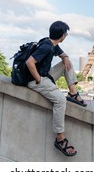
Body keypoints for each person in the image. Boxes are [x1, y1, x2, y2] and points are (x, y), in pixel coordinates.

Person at [25, 21, 87, 157]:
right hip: (36, 80)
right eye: (66, 34)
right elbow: (29, 62)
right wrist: (39, 80)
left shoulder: (51, 43)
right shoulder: (47, 47)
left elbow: (63, 54)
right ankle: (60, 138)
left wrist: (64, 58)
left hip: (45, 75)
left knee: (67, 63)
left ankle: (73, 93)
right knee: (60, 101)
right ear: (63, 36)